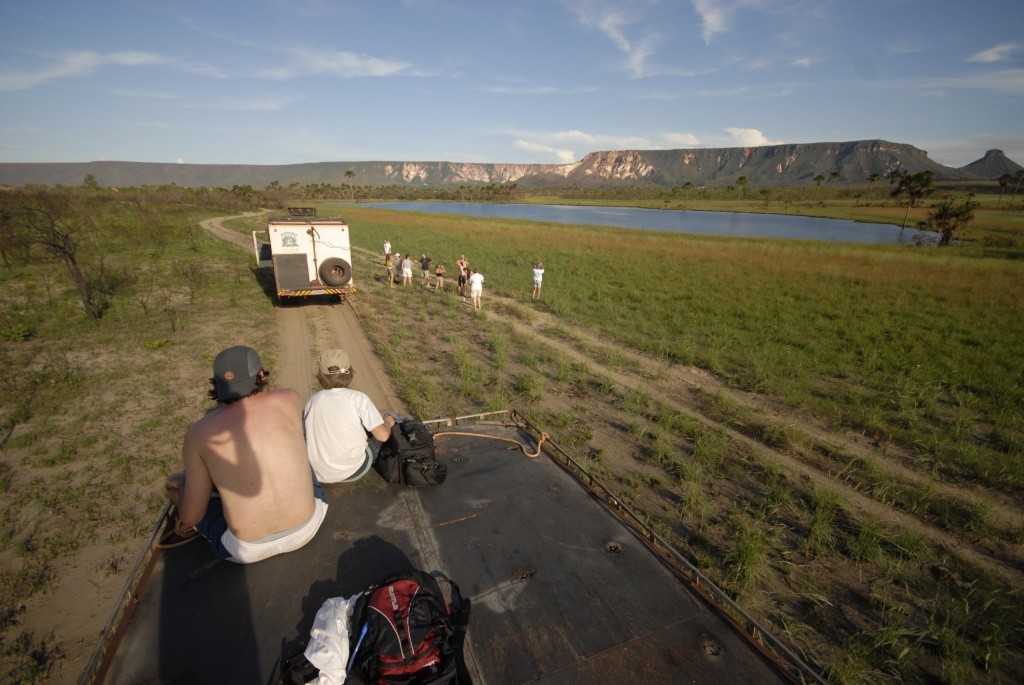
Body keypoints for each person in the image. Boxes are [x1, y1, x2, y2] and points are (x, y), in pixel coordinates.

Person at [164, 346, 328, 564]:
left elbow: (191, 517)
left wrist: (182, 488)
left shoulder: (197, 434)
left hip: (246, 551)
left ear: (217, 384)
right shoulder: (289, 397)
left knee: (187, 492)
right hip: (308, 527)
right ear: (261, 374)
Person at [303, 348, 396, 483]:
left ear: (321, 375)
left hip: (317, 473)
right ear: (349, 372)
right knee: (374, 436)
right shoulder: (358, 398)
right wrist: (388, 423)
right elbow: (383, 436)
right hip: (352, 471)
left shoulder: (313, 400)